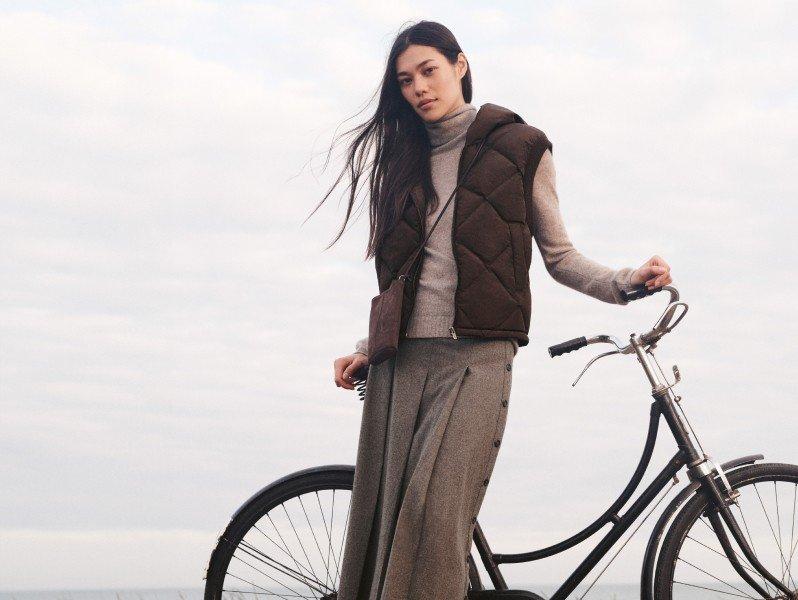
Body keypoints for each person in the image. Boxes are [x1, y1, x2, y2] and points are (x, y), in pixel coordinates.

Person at [315, 20, 672, 600]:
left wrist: (628, 282)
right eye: (405, 81)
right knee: (387, 525)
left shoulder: (521, 147)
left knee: (436, 523)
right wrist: (365, 349)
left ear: (460, 65)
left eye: (429, 71)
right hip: (401, 365)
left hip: (477, 358)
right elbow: (411, 277)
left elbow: (559, 257)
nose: (419, 89)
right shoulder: (402, 160)